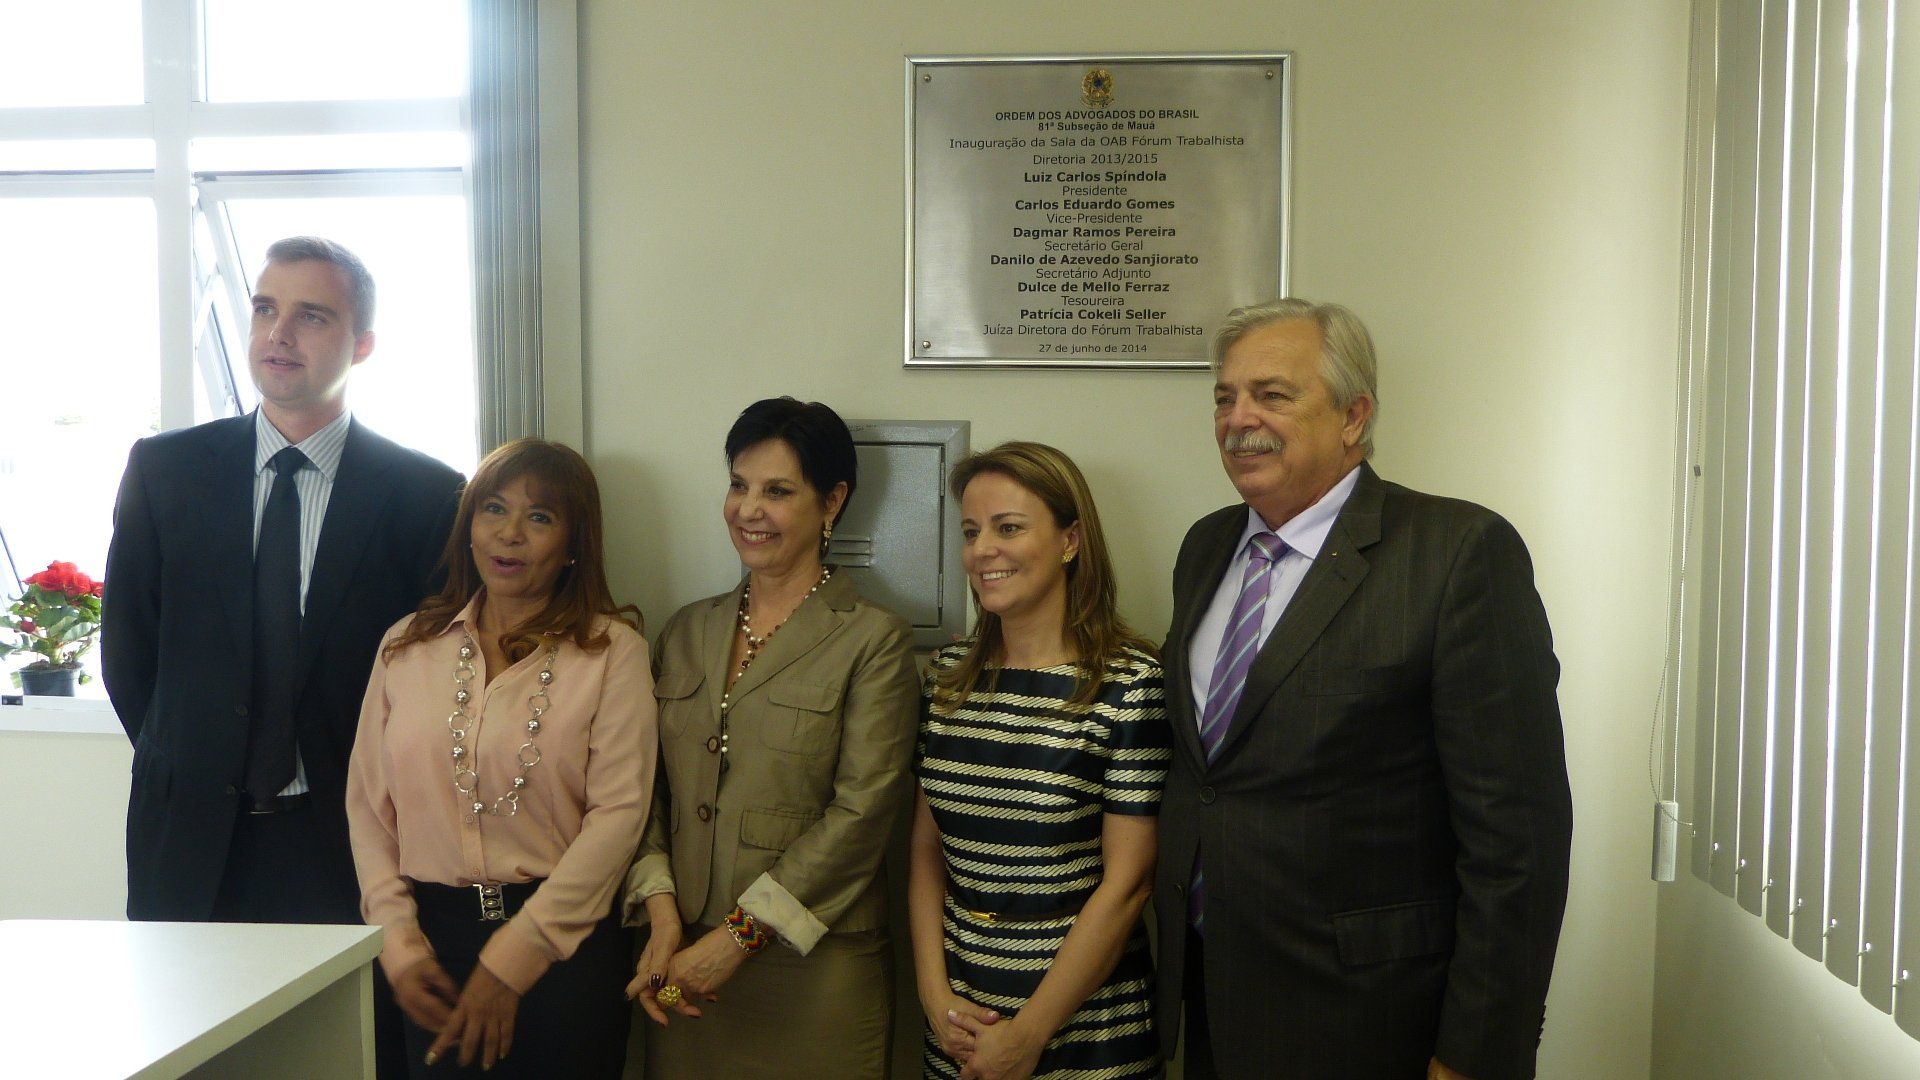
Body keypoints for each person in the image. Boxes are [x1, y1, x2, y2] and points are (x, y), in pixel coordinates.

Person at [1154, 299, 1573, 1080]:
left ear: (1354, 415)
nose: (1238, 419)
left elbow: (1519, 842)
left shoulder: (1457, 554)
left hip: (1374, 1017)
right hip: (1214, 997)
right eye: (1224, 397)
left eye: (1272, 395)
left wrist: (1477, 1052)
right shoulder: (1207, 547)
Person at [103, 236, 460, 1072]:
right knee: (189, 1058)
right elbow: (130, 655)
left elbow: (436, 684)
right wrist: (195, 758)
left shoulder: (425, 495)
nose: (278, 332)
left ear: (361, 344)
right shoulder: (166, 471)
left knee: (344, 1056)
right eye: (265, 308)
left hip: (346, 845)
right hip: (189, 840)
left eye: (311, 315)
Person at [622, 397, 920, 1078]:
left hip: (817, 963)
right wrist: (662, 914)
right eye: (739, 485)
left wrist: (738, 938)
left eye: (778, 491)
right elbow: (645, 790)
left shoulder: (872, 638)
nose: (748, 509)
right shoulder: (686, 630)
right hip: (682, 954)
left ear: (832, 501)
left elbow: (863, 813)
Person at [347, 438, 654, 1077]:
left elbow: (619, 818)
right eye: (494, 508)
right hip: (431, 953)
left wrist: (516, 956)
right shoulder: (406, 645)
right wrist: (397, 942)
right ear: (469, 525)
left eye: (539, 516)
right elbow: (370, 809)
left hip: (564, 951)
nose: (509, 533)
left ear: (574, 543)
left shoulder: (612, 652)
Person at [911, 442, 1170, 1080]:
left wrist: (1026, 1038)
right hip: (961, 1023)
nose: (983, 550)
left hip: (1087, 1029)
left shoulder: (1130, 683)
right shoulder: (948, 679)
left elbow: (1128, 885)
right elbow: (925, 853)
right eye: (971, 532)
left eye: (1008, 528)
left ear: (1070, 540)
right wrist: (937, 1000)